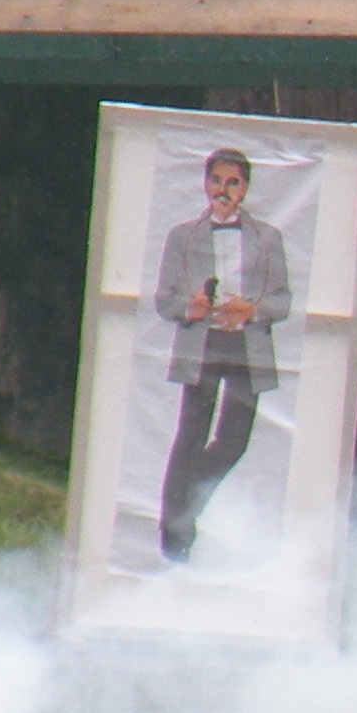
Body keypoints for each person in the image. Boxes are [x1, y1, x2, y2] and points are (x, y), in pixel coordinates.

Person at [151, 147, 291, 563]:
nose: (223, 190)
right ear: (205, 183)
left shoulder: (268, 238)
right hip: (203, 345)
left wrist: (253, 310)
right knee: (191, 435)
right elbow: (164, 299)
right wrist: (190, 308)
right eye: (217, 181)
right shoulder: (183, 236)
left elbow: (281, 301)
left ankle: (184, 507)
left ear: (245, 189)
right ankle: (174, 534)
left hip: (246, 346)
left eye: (233, 183)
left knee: (233, 440)